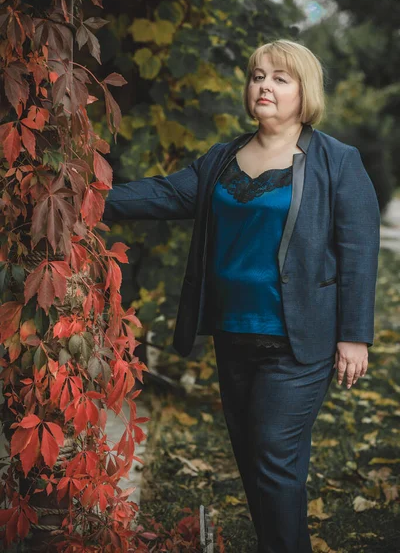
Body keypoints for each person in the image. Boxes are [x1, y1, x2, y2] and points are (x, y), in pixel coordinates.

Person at [103, 39, 381, 553]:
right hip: (233, 333)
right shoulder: (222, 158)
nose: (265, 86)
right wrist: (86, 199)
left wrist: (355, 336)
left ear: (305, 91)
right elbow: (164, 193)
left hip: (301, 340)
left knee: (273, 452)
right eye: (257, 76)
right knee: (261, 460)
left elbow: (360, 251)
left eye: (280, 77)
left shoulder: (337, 162)